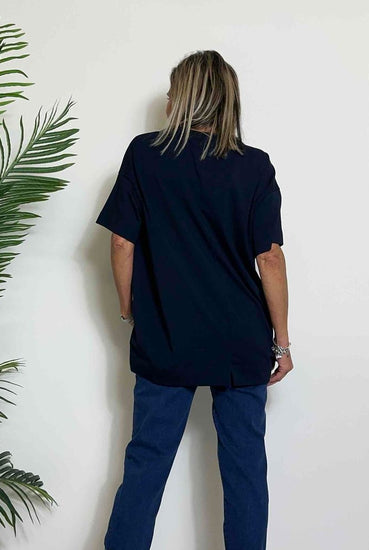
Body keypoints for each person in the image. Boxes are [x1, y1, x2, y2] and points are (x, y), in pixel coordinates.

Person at [95, 49, 294, 550]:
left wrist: (129, 309)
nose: (166, 101)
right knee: (245, 469)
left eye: (171, 92)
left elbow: (121, 243)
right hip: (241, 340)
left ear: (186, 98)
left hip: (167, 334)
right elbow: (269, 258)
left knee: (146, 461)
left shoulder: (145, 155)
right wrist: (283, 342)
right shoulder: (254, 166)